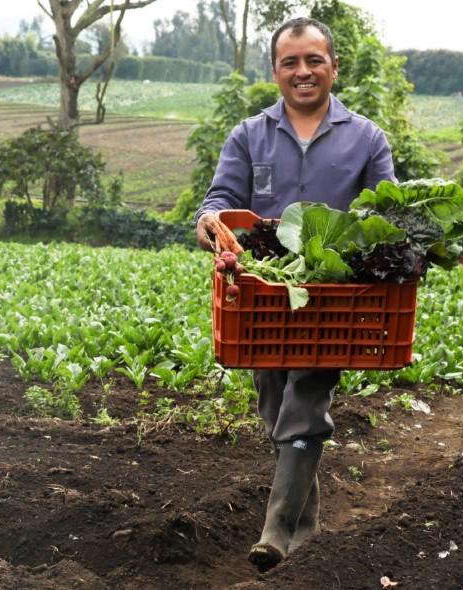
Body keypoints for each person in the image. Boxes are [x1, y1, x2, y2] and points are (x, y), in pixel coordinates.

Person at [194, 17, 396, 572]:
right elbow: (218, 199)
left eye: (314, 60)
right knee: (275, 408)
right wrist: (209, 220)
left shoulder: (367, 138)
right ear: (276, 71)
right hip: (265, 292)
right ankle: (306, 528)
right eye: (290, 62)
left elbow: (387, 212)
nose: (302, 71)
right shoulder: (248, 135)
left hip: (334, 295)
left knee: (305, 403)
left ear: (333, 66)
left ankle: (277, 534)